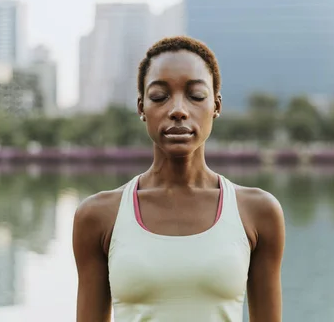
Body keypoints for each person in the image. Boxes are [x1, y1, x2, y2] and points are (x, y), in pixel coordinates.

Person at [72, 36, 285, 322]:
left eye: (196, 96)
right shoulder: (98, 216)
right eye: (160, 97)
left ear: (216, 106)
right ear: (141, 108)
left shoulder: (258, 212)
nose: (178, 110)